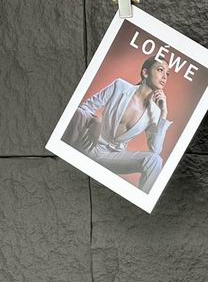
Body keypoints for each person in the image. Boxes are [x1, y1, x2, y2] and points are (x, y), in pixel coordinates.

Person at [64, 56, 173, 193]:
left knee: (155, 160)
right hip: (90, 143)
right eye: (160, 70)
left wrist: (163, 113)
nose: (165, 77)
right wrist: (95, 120)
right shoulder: (120, 86)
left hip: (113, 157)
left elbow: (155, 149)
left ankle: (139, 201)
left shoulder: (155, 113)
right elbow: (84, 108)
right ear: (145, 73)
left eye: (167, 74)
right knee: (77, 114)